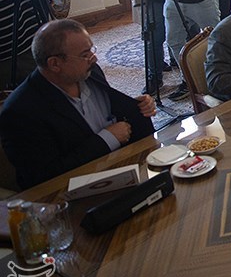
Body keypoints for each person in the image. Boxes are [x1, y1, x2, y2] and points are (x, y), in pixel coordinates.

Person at [0, 19, 155, 190]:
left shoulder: (90, 72)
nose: (94, 58)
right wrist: (107, 138)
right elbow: (44, 177)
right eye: (84, 54)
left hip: (125, 172)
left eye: (91, 50)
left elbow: (113, 113)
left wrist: (137, 106)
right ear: (55, 64)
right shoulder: (20, 112)